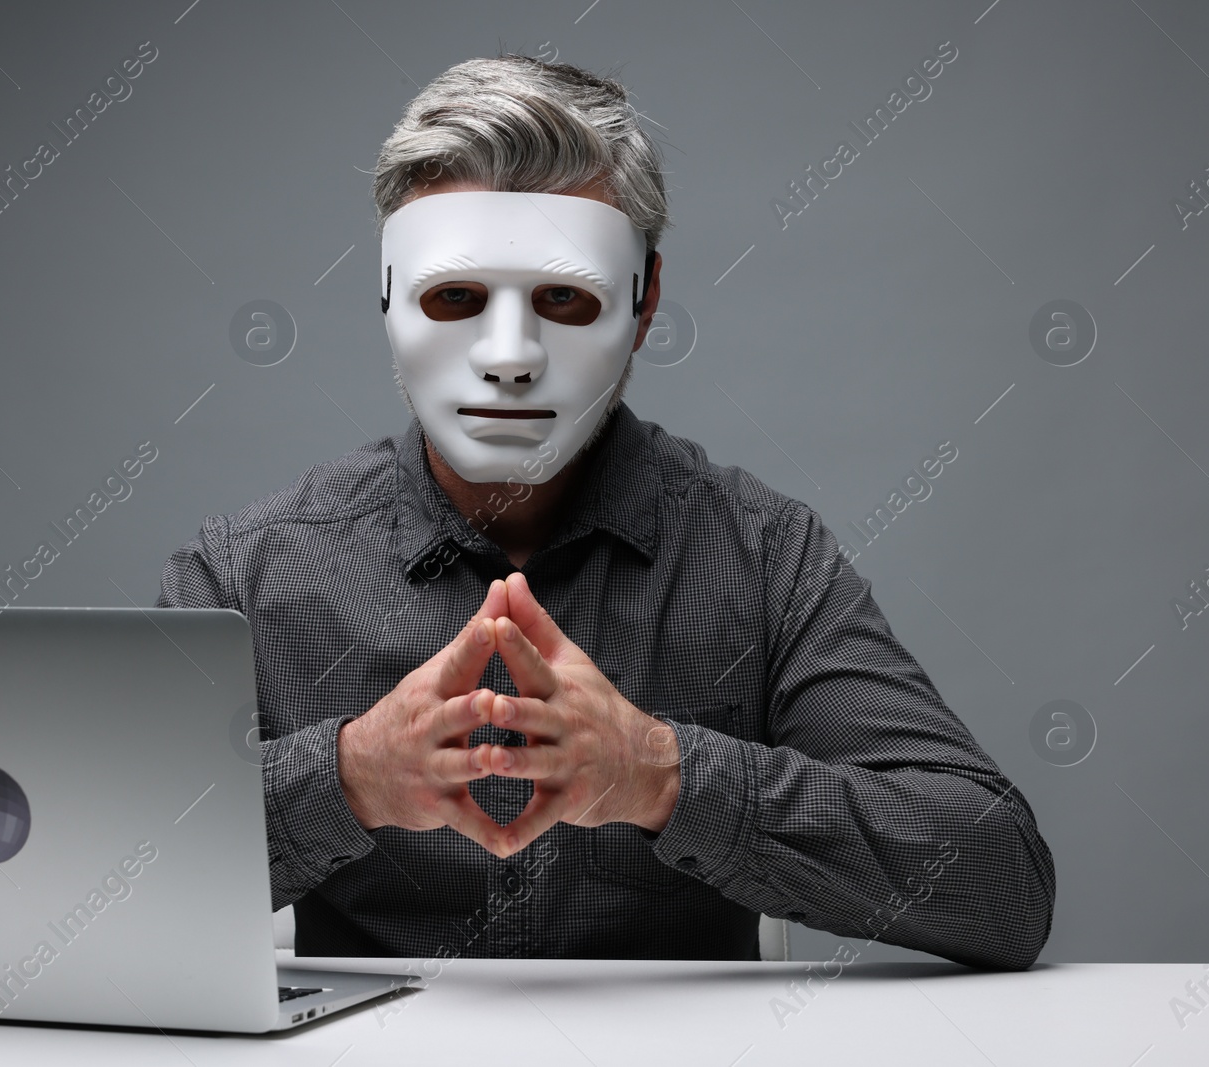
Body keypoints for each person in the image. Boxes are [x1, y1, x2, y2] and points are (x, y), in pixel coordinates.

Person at [157, 54, 1054, 968]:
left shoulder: (763, 557)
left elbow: (1003, 885)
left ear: (644, 297)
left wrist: (663, 774)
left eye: (563, 298)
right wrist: (346, 778)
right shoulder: (247, 574)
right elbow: (90, 879)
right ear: (388, 294)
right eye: (456, 296)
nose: (511, 356)